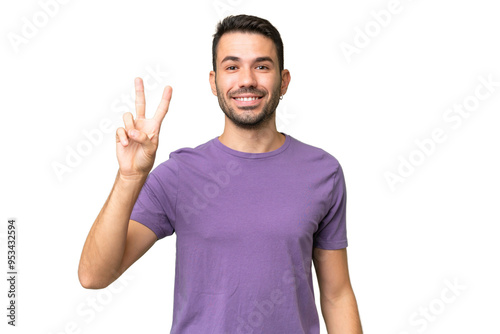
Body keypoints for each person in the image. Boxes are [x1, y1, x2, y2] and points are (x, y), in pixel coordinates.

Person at [78, 14, 363, 334]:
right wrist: (129, 178)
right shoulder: (179, 175)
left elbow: (337, 295)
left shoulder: (323, 173)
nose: (247, 80)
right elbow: (94, 275)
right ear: (214, 82)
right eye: (232, 67)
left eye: (262, 66)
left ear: (283, 81)